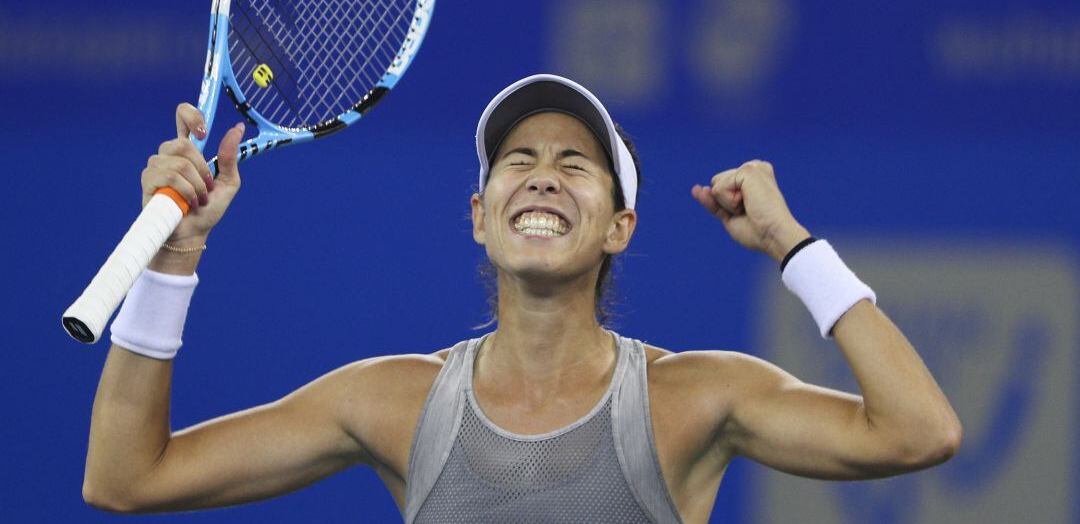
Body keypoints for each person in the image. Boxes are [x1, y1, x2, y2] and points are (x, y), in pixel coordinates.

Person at [83, 74, 962, 523]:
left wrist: (791, 247)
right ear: (479, 215)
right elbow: (125, 479)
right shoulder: (391, 402)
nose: (543, 177)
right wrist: (175, 258)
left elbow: (921, 430)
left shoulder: (694, 399)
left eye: (575, 164)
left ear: (619, 226)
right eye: (519, 162)